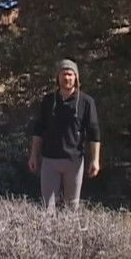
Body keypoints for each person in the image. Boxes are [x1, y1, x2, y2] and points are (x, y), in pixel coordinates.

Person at [28, 58, 101, 211]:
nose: (67, 78)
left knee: (71, 208)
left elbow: (94, 132)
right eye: (63, 74)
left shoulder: (86, 102)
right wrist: (34, 155)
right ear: (58, 77)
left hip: (74, 161)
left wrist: (95, 160)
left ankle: (69, 228)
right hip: (50, 160)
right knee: (47, 208)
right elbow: (38, 130)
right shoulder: (48, 101)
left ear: (76, 77)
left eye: (70, 74)